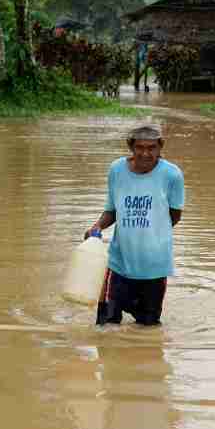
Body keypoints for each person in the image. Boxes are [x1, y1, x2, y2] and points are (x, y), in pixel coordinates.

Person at [85, 125, 184, 326]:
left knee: (148, 326)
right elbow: (112, 210)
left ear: (160, 147)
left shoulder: (172, 175)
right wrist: (97, 226)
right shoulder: (117, 169)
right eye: (140, 147)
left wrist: (152, 233)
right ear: (130, 147)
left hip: (155, 266)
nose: (145, 153)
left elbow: (174, 216)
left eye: (152, 147)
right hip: (118, 263)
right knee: (106, 324)